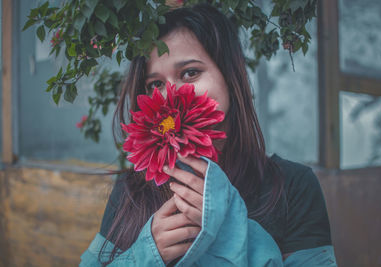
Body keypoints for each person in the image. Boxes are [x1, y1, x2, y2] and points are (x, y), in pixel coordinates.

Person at [80, 3, 337, 267]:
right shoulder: (131, 190)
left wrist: (227, 230)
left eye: (190, 73)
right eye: (156, 84)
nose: (172, 96)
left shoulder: (292, 187)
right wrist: (147, 255)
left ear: (230, 77)